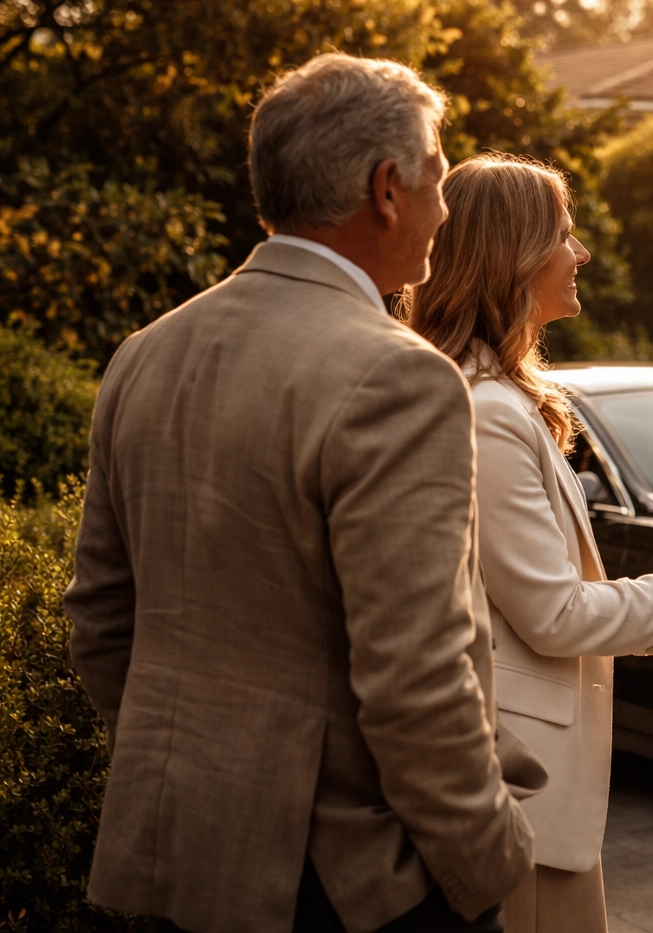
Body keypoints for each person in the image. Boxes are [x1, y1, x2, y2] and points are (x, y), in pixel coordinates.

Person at [64, 53, 543, 933]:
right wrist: (487, 863)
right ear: (388, 189)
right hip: (345, 885)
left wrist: (189, 774)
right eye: (438, 176)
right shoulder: (399, 377)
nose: (446, 206)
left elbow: (100, 617)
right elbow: (416, 679)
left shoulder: (144, 352)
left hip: (175, 857)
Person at [404, 152, 653, 932]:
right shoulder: (487, 411)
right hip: (523, 791)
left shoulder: (494, 395)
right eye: (564, 235)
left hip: (534, 786)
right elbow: (552, 614)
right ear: (511, 255)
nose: (582, 254)